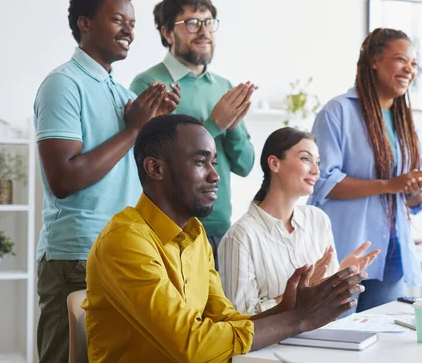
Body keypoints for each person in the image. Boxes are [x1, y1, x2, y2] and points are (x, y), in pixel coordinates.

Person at [83, 114, 366, 362]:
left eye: (214, 162)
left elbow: (224, 321)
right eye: (200, 162)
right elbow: (190, 345)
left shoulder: (195, 237)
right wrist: (298, 319)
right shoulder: (126, 241)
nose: (215, 175)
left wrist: (288, 307)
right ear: (155, 168)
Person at [33, 0, 179, 363]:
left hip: (124, 250)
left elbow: (132, 170)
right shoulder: (62, 85)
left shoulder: (118, 91)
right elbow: (63, 180)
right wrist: (133, 129)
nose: (130, 30)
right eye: (118, 20)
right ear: (84, 23)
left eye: (132, 22)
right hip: (77, 255)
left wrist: (153, 125)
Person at [308, 28, 422, 312]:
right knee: (338, 342)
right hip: (346, 250)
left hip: (392, 253)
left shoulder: (405, 123)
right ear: (375, 61)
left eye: (414, 64)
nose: (409, 69)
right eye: (401, 60)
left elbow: (415, 199)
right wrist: (389, 185)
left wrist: (413, 188)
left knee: (385, 341)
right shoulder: (337, 112)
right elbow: (322, 182)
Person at [130, 0, 254, 268]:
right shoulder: (147, 84)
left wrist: (231, 125)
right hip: (169, 229)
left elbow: (245, 165)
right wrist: (216, 123)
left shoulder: (224, 87)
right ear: (166, 32)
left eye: (209, 22)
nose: (204, 31)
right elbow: (148, 161)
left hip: (221, 228)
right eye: (192, 23)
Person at [219, 127, 380, 315]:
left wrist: (341, 274)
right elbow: (241, 318)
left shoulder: (318, 220)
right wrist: (303, 290)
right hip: (274, 345)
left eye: (317, 162)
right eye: (305, 159)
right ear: (274, 163)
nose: (316, 171)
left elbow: (325, 298)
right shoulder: (239, 237)